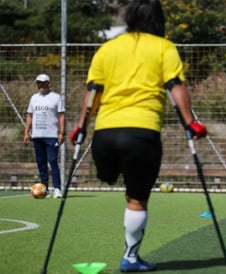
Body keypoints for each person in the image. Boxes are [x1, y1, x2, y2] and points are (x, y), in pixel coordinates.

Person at [69, 0, 207, 272]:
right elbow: (175, 86)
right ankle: (130, 258)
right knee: (136, 198)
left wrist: (81, 127)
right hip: (142, 133)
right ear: (158, 19)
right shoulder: (164, 47)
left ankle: (109, 176)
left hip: (105, 135)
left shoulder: (107, 49)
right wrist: (191, 123)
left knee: (110, 177)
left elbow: (93, 91)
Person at [24, 73, 65, 199]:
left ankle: (57, 189)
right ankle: (45, 188)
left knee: (53, 161)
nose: (41, 85)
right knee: (41, 163)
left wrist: (61, 132)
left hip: (52, 136)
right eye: (39, 83)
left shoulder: (56, 97)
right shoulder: (34, 98)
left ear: (49, 83)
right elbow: (30, 115)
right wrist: (26, 132)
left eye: (43, 83)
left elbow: (61, 115)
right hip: (37, 136)